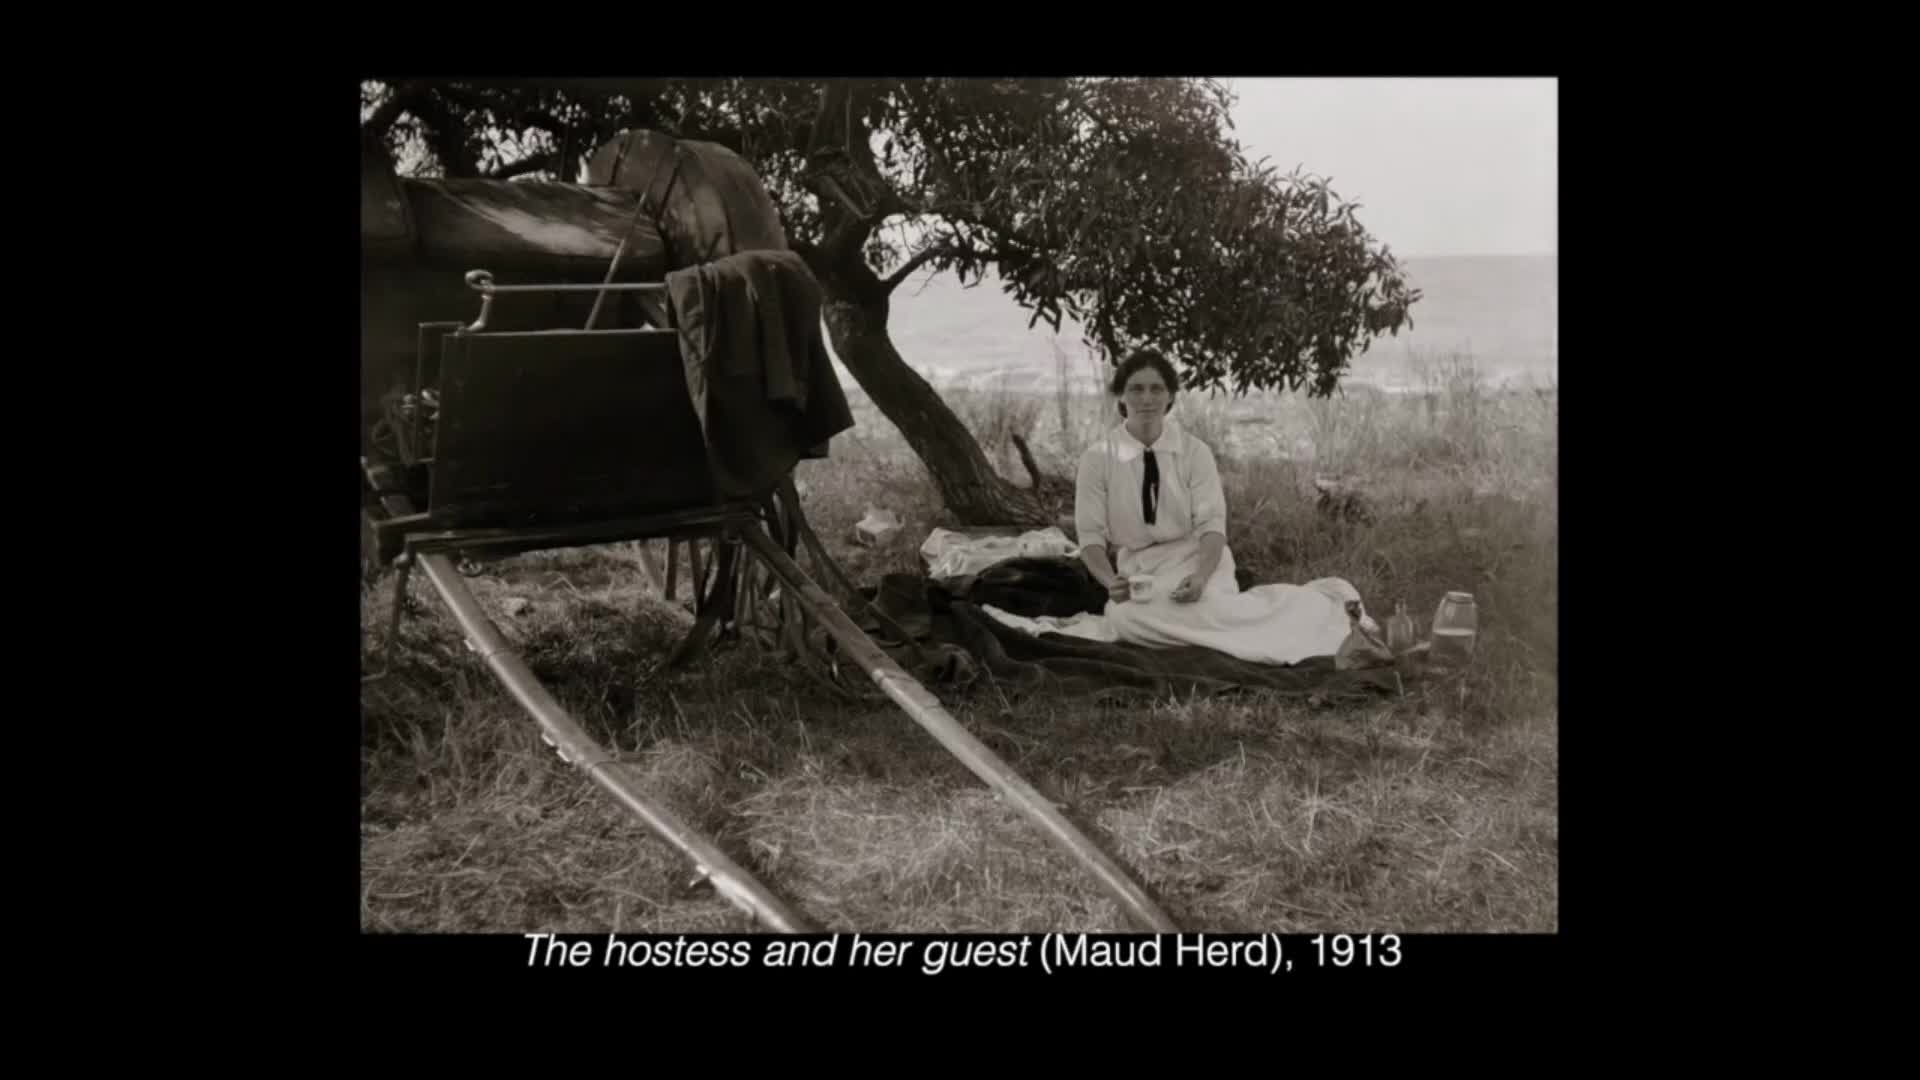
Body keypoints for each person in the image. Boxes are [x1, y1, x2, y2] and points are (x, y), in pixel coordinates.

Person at [1073, 348, 1369, 666]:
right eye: (1136, 388)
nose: (1146, 398)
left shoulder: (1194, 452)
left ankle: (1320, 610)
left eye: (1156, 389)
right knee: (1125, 619)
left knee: (1210, 610)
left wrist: (1200, 577)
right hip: (1142, 570)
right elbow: (1090, 535)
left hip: (1198, 559)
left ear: (1171, 396)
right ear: (1121, 395)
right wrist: (1109, 582)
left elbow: (1212, 525)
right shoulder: (1097, 459)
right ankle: (1226, 635)